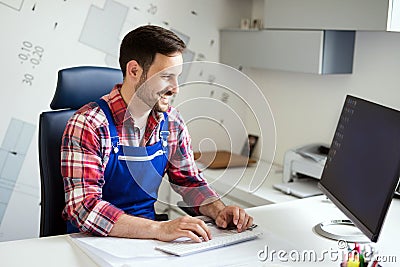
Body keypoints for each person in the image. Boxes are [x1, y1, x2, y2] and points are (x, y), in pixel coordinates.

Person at [61, 25, 253, 243]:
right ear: (134, 71)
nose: (175, 88)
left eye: (177, 77)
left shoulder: (172, 122)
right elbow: (84, 208)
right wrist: (159, 229)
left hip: (148, 242)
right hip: (91, 243)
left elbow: (189, 182)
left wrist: (218, 210)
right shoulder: (89, 124)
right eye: (166, 77)